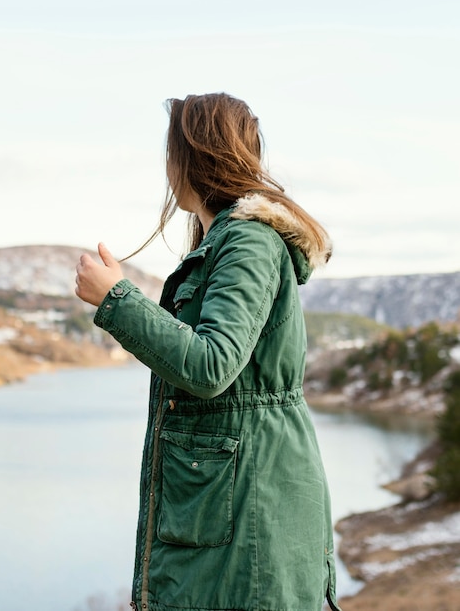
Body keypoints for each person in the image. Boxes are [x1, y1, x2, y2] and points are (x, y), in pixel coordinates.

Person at [75, 93, 342, 611]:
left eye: (171, 149)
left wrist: (116, 298)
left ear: (193, 154)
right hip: (229, 507)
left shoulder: (248, 242)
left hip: (250, 511)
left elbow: (210, 365)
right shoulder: (225, 240)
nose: (166, 165)